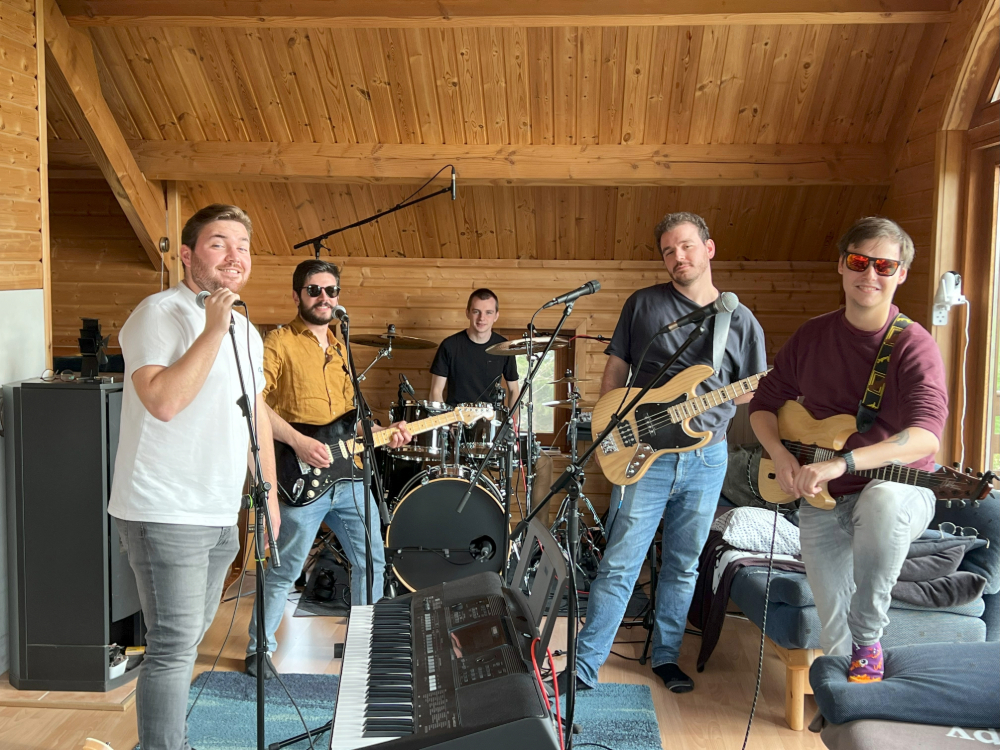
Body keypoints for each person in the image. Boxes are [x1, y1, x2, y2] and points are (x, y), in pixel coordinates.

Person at [567, 212, 767, 694]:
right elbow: (616, 368)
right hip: (645, 453)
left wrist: (724, 394)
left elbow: (751, 391)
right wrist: (613, 422)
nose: (678, 257)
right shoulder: (644, 305)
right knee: (620, 561)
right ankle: (584, 665)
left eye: (686, 247)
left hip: (707, 458)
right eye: (668, 251)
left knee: (683, 564)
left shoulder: (740, 320)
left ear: (709, 248)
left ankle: (665, 658)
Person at [749, 217, 947, 682]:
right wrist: (781, 456)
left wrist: (847, 462)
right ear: (842, 265)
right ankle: (848, 714)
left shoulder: (914, 346)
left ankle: (871, 639)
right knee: (833, 634)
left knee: (880, 498)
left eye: (884, 265)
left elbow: (925, 436)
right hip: (821, 497)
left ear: (900, 274)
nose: (870, 275)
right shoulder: (813, 336)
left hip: (902, 488)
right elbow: (763, 404)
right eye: (860, 261)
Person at [109, 204, 277, 750]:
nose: (234, 257)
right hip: (163, 509)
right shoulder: (157, 314)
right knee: (174, 645)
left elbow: (255, 419)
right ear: (187, 255)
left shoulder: (249, 334)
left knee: (188, 641)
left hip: (217, 510)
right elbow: (162, 402)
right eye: (218, 244)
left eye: (243, 247)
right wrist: (214, 327)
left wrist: (268, 496)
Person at [245, 259, 412, 678]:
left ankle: (364, 644)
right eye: (315, 290)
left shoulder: (340, 346)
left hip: (349, 474)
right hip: (301, 475)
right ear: (298, 294)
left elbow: (348, 418)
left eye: (331, 291)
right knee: (284, 569)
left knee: (372, 559)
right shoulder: (278, 343)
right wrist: (298, 441)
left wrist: (382, 431)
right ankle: (258, 649)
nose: (324, 298)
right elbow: (253, 401)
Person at [429, 289, 521, 410]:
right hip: (455, 420)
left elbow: (514, 390)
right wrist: (446, 424)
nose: (481, 318)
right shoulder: (449, 345)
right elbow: (435, 391)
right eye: (476, 312)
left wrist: (512, 424)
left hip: (490, 421)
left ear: (496, 316)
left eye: (488, 312)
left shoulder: (504, 347)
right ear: (467, 313)